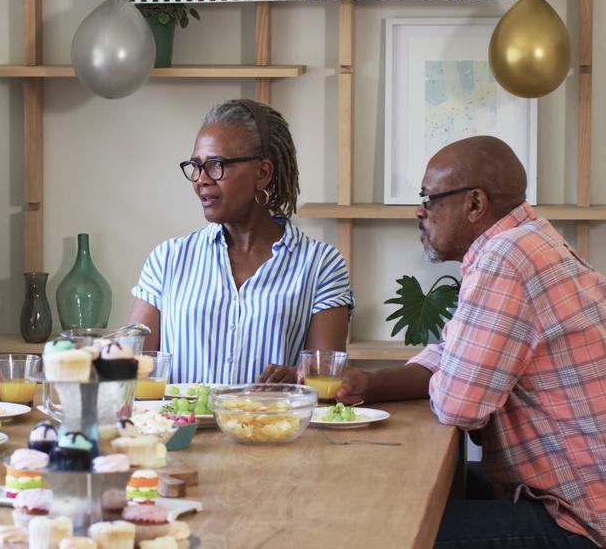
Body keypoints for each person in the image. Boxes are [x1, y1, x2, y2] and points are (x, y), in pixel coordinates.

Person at [338, 136, 605, 547]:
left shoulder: (506, 258)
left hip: (578, 518)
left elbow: (459, 404)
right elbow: (457, 354)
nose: (419, 211)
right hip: (572, 493)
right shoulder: (530, 239)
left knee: (387, 526)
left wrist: (454, 374)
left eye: (429, 198)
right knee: (411, 497)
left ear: (475, 204)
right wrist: (371, 385)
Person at [128, 98, 354, 384]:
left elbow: (325, 383)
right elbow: (134, 373)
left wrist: (295, 382)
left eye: (216, 165)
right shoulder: (168, 259)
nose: (201, 179)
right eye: (196, 166)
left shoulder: (321, 265)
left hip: (274, 427)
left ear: (262, 173)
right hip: (185, 429)